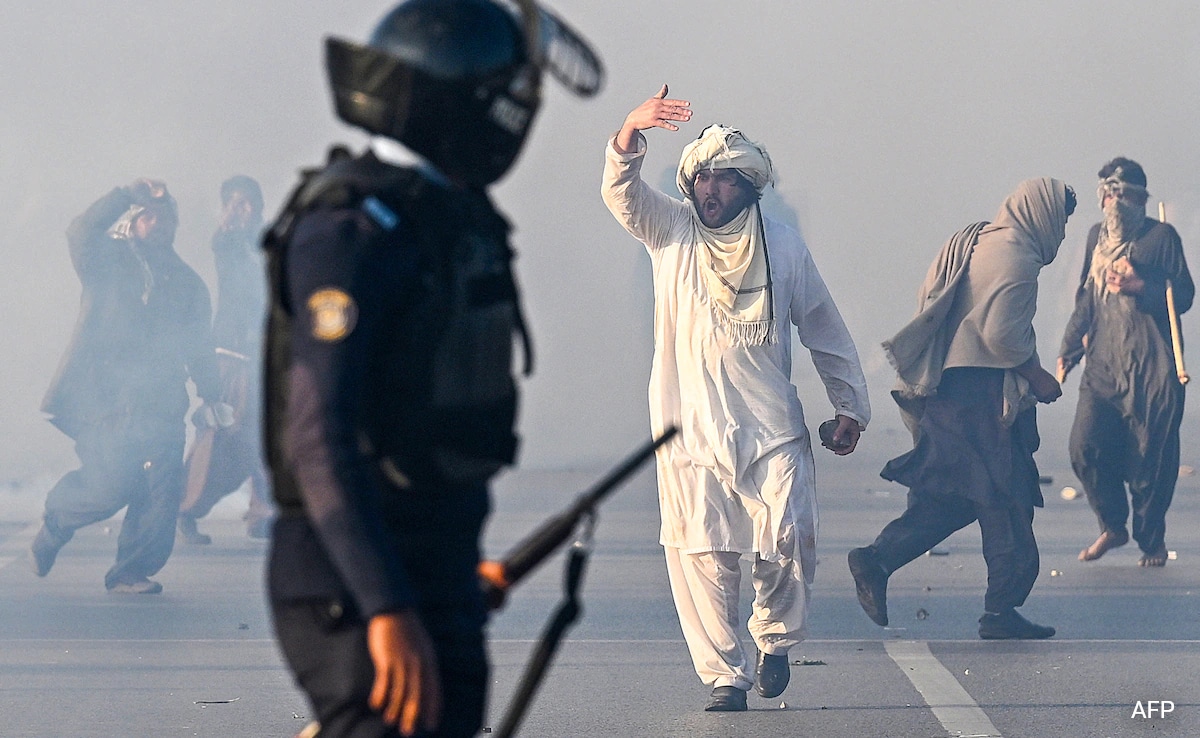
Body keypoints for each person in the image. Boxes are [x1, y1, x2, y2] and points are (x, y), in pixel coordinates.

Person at [262, 1, 602, 736]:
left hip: (434, 565)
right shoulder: (351, 231)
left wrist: (450, 580)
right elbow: (319, 438)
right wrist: (385, 603)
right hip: (352, 583)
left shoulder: (444, 217)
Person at [601, 87, 871, 712]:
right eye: (702, 180)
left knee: (789, 534)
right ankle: (725, 675)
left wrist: (849, 406)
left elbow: (823, 326)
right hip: (688, 427)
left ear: (750, 188)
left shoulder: (783, 247)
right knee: (702, 552)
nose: (710, 192)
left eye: (725, 181)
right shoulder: (669, 230)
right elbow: (622, 194)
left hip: (771, 424)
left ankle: (774, 639)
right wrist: (628, 131)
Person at [848, 178, 1075, 640]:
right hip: (979, 399)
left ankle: (879, 560)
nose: (1064, 232)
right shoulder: (1018, 260)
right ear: (1043, 213)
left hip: (948, 392)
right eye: (1063, 220)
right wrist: (1037, 377)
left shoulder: (978, 240)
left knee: (955, 496)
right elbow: (1002, 336)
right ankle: (999, 609)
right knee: (1005, 498)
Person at [33, 179, 225, 594]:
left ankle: (131, 570)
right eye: (148, 217)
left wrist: (213, 393)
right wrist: (124, 194)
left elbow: (200, 345)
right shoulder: (105, 260)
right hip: (106, 402)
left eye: (165, 219)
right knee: (109, 487)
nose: (157, 225)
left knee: (161, 491)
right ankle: (57, 520)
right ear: (134, 220)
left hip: (162, 402)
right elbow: (80, 231)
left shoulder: (188, 284)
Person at [1058, 157, 1192, 568]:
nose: (1114, 200)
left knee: (1151, 460)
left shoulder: (1161, 237)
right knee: (1085, 447)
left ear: (1140, 198)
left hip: (1153, 369)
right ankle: (1112, 525)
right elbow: (1087, 299)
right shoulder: (1097, 237)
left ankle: (1151, 541)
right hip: (1103, 366)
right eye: (1108, 192)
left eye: (1123, 193)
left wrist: (1141, 286)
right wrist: (1068, 349)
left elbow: (1183, 295)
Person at [177, 175, 276, 544]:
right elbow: (226, 247)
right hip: (232, 358)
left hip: (264, 356)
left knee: (266, 435)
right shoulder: (228, 242)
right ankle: (183, 508)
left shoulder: (269, 240)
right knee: (217, 434)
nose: (242, 208)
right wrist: (230, 222)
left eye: (247, 200)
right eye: (234, 201)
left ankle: (263, 511)